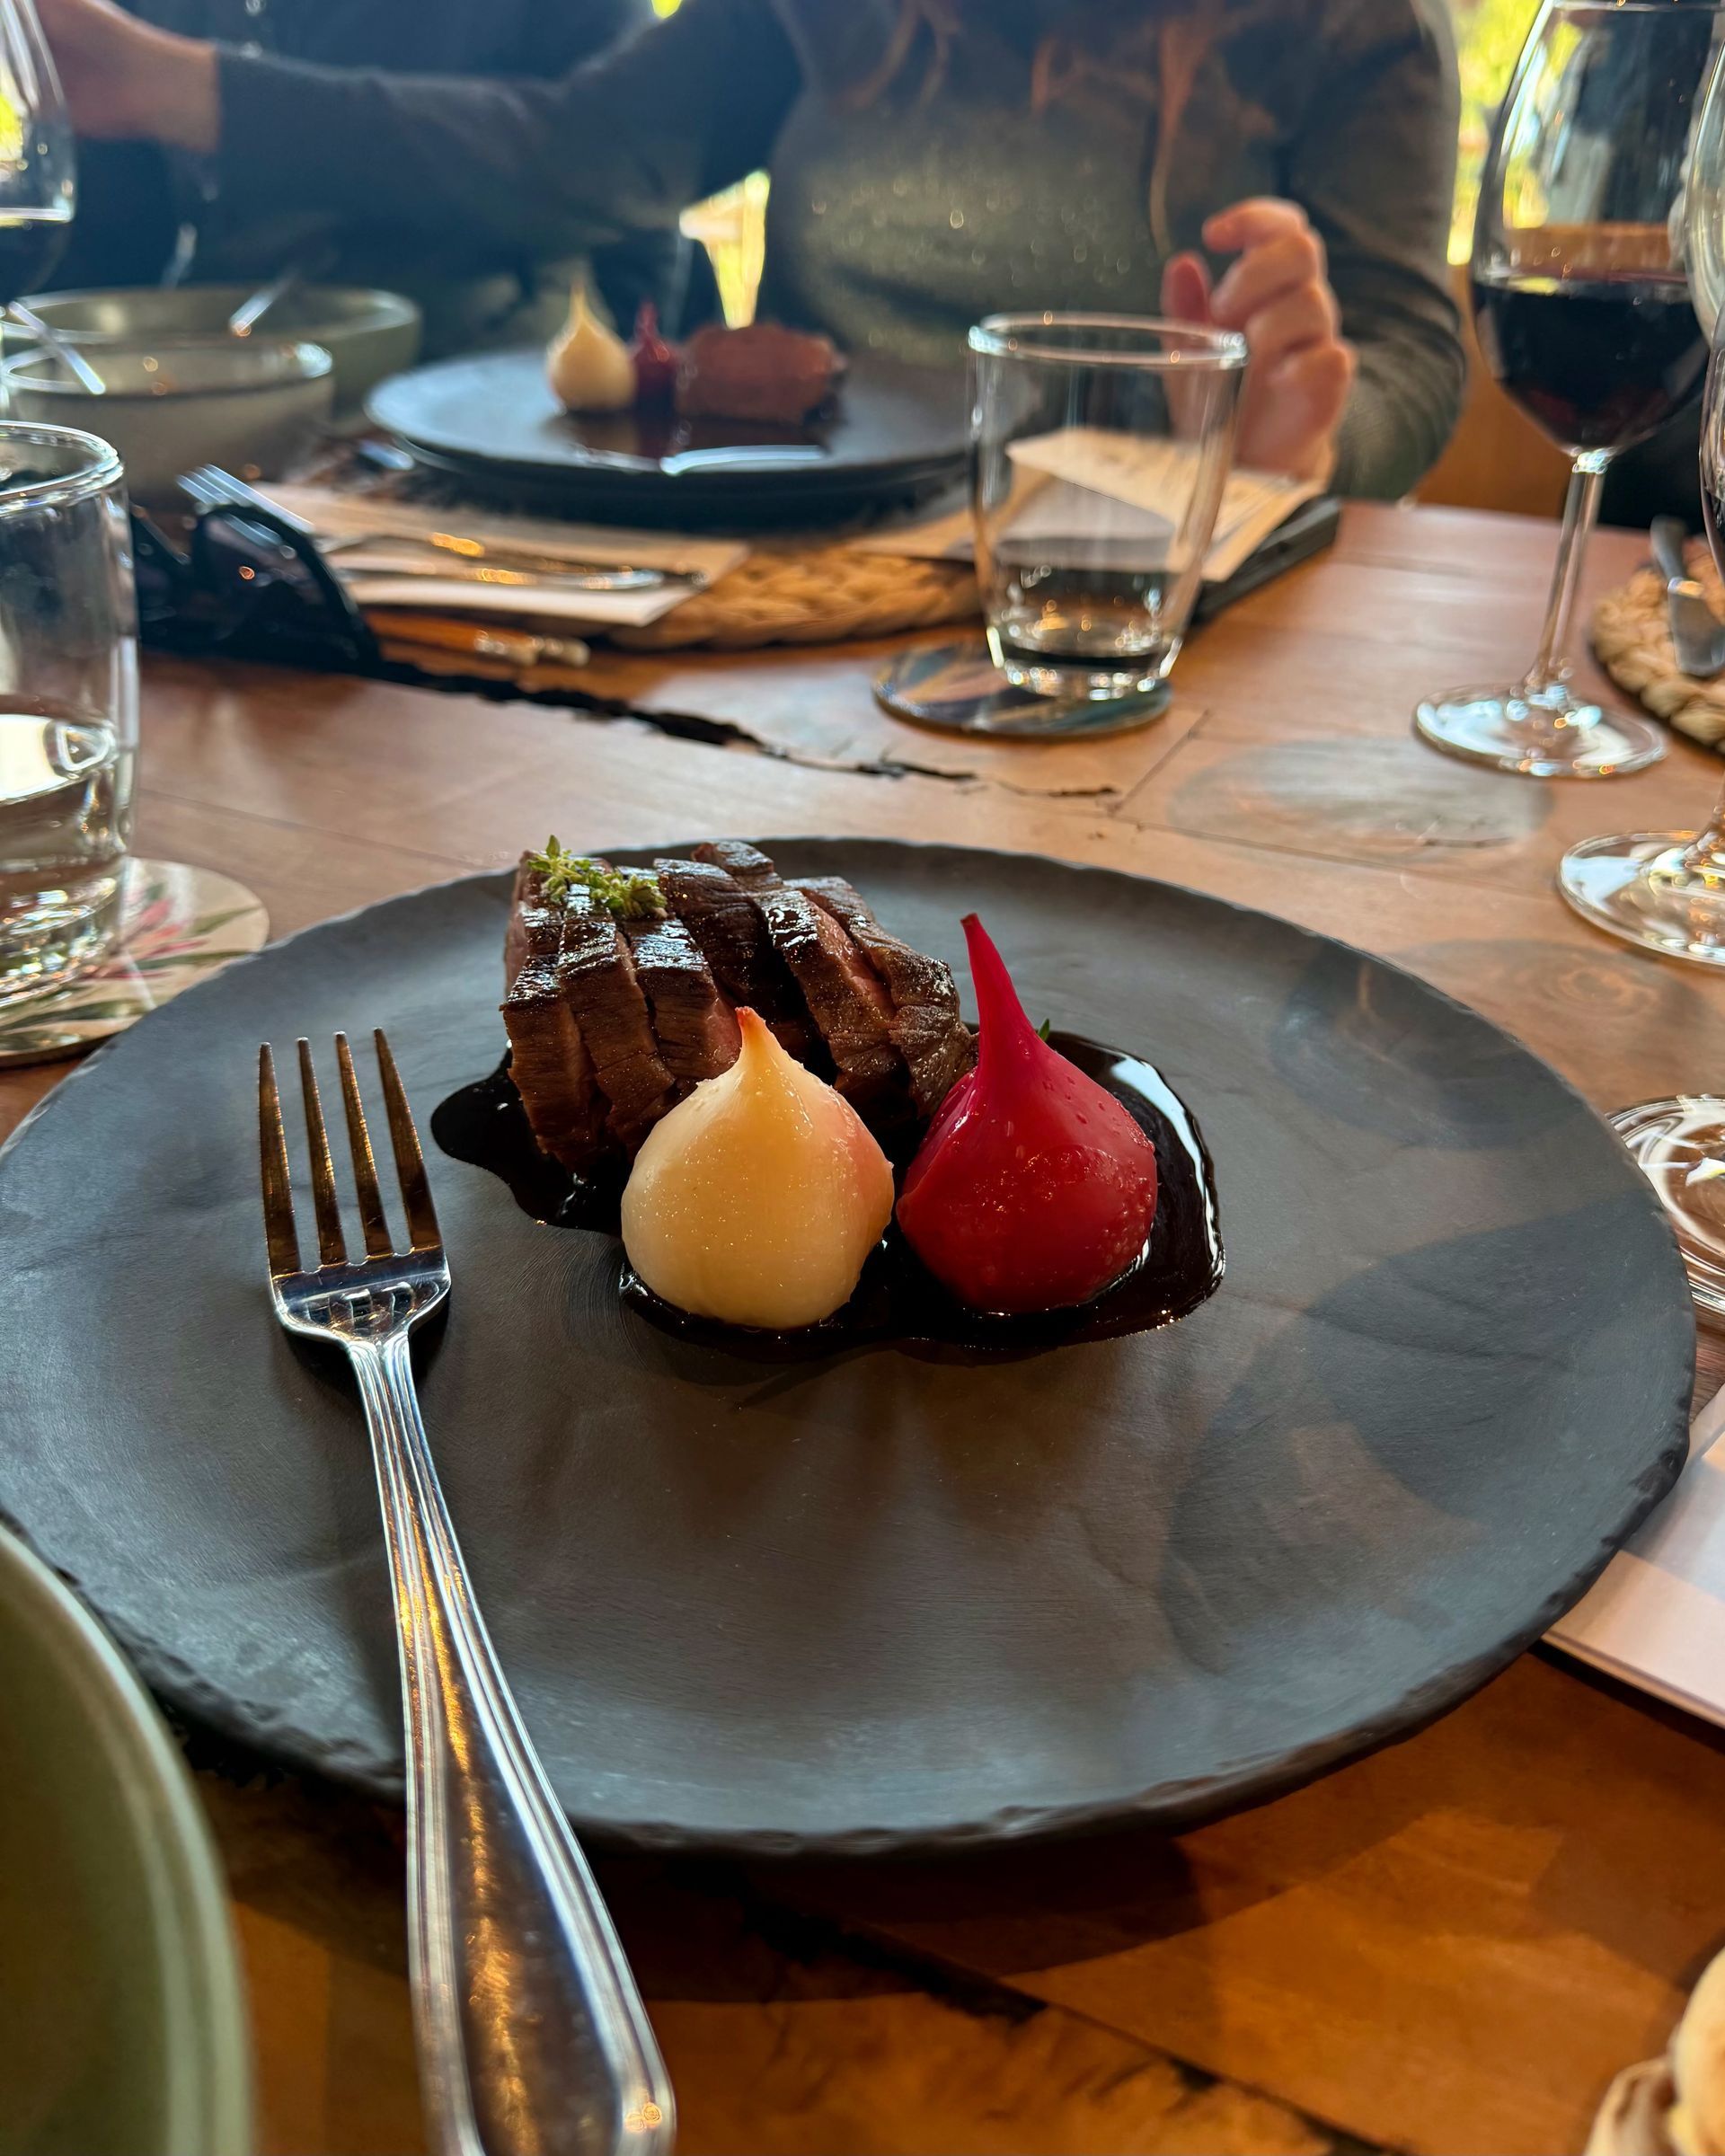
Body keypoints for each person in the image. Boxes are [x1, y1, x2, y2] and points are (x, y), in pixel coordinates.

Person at [38, 0, 1465, 494]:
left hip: (1132, 594)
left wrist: (1310, 442)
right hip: (791, 598)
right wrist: (171, 83)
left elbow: (1404, 349)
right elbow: (563, 155)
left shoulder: (1353, 28)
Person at [42, 0, 703, 356]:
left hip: (488, 411)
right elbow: (106, 247)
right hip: (210, 415)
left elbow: (617, 174)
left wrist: (205, 95)